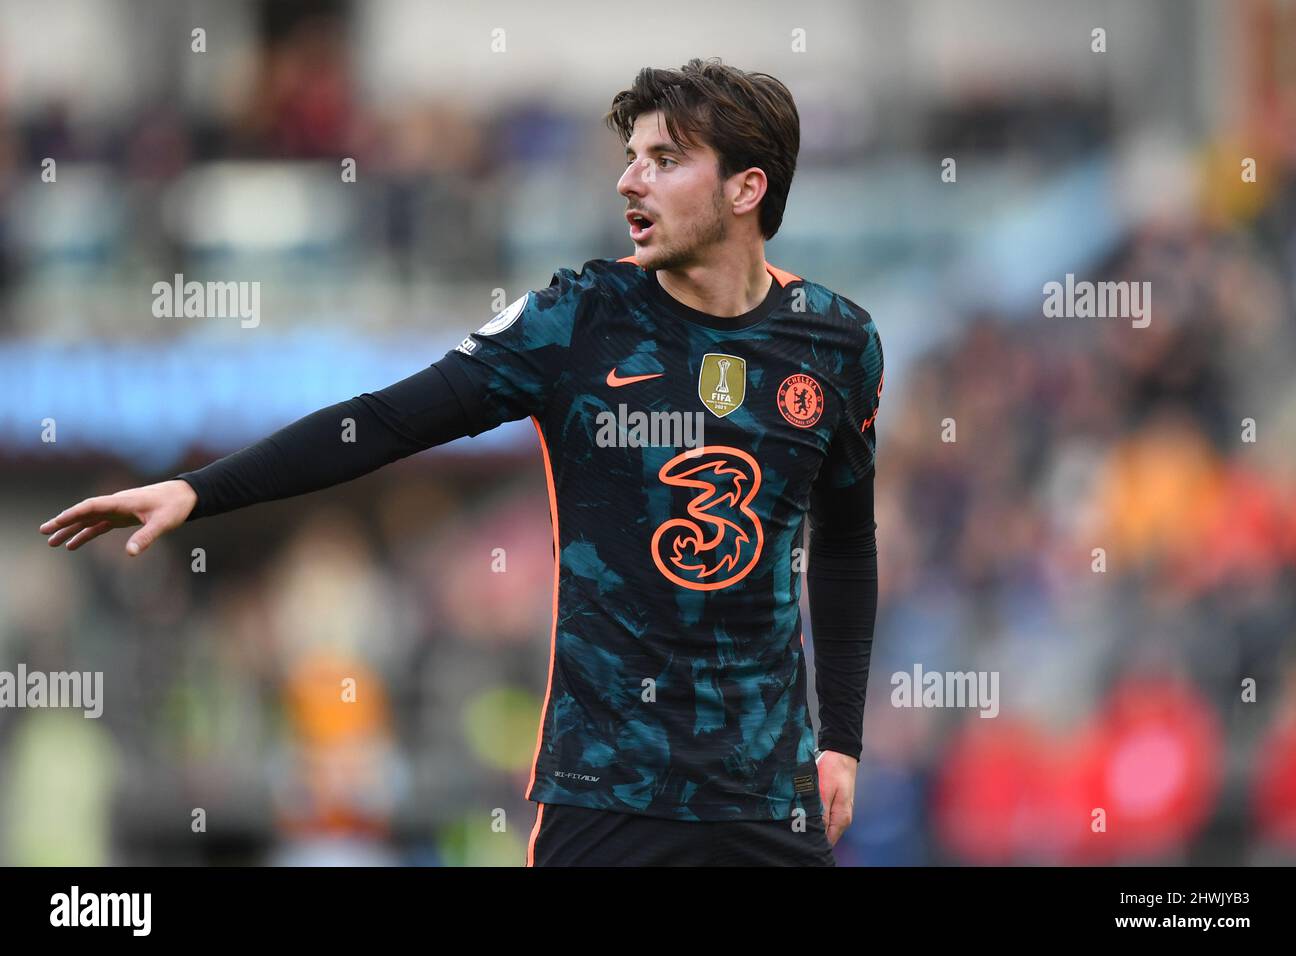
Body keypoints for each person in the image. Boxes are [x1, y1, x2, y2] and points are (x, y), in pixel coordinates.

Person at [40, 58, 883, 867]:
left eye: (665, 160)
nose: (630, 181)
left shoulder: (836, 345)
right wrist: (197, 489)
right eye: (630, 159)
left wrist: (839, 739)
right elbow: (381, 423)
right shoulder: (577, 321)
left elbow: (845, 544)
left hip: (770, 799)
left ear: (746, 188)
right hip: (610, 796)